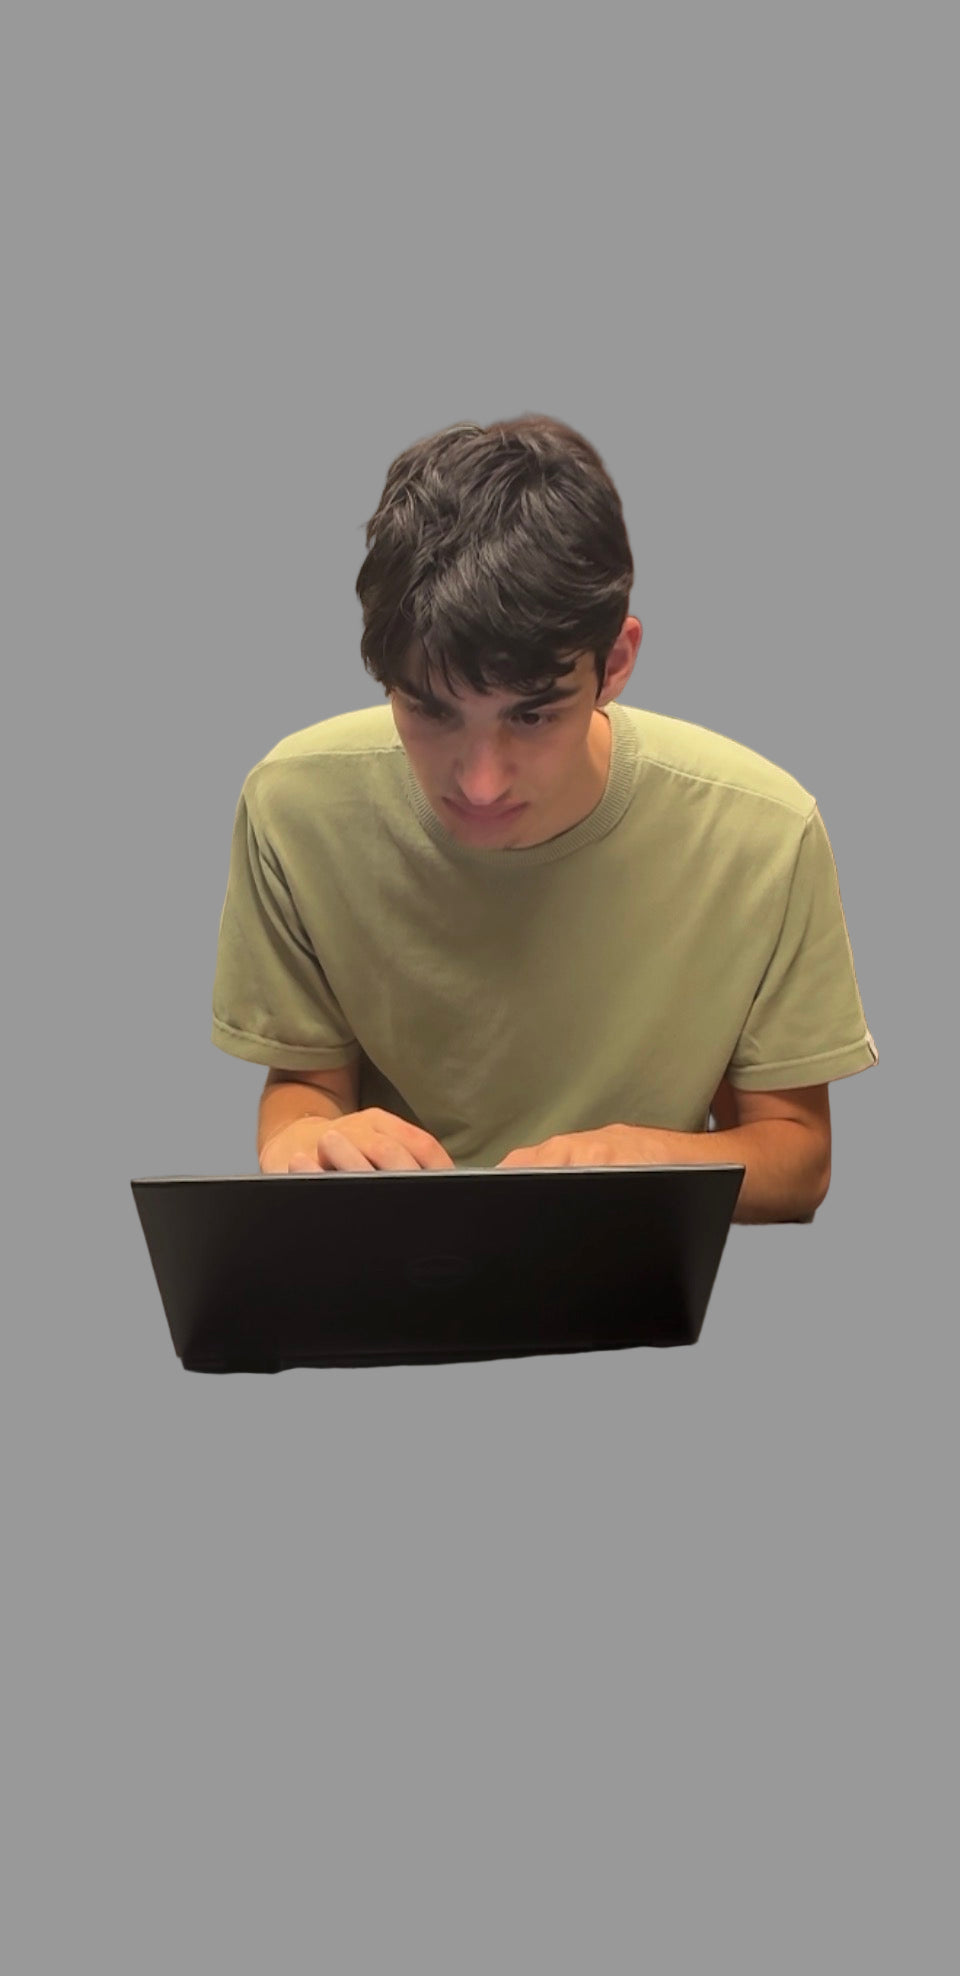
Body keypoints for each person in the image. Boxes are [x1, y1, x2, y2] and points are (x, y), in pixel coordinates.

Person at [211, 415, 877, 1221]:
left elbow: (797, 1159)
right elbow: (305, 1086)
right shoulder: (293, 806)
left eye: (532, 716)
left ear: (616, 665)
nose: (481, 783)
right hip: (393, 1271)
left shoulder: (766, 833)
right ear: (386, 678)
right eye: (429, 711)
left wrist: (649, 1159)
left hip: (644, 1287)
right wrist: (304, 1138)